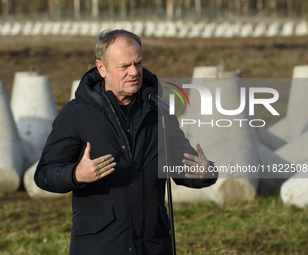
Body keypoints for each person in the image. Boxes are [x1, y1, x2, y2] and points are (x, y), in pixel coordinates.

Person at [35, 29, 218, 255]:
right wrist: (75, 174)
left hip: (152, 245)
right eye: (124, 66)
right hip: (99, 246)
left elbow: (181, 165)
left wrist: (204, 173)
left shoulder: (159, 109)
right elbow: (44, 173)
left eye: (138, 63)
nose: (134, 72)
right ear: (101, 68)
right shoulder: (76, 114)